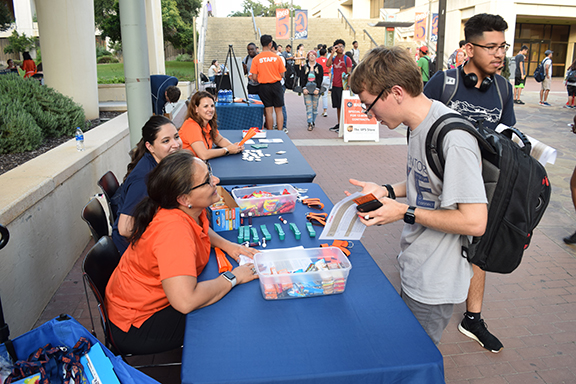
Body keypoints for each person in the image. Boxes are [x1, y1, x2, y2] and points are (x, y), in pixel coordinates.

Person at [348, 45, 488, 345]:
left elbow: (475, 222)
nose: (369, 115)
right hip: (416, 264)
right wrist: (386, 190)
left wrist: (403, 212)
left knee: (414, 355)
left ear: (396, 92)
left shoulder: (453, 138)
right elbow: (424, 180)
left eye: (369, 105)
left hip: (436, 278)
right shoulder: (417, 125)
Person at [105, 150, 259, 355]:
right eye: (207, 181)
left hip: (140, 305)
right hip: (137, 324)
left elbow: (202, 229)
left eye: (209, 172)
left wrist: (228, 245)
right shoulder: (173, 231)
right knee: (224, 315)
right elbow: (186, 301)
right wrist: (233, 277)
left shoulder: (185, 209)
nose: (216, 180)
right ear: (184, 198)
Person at [424, 13, 515, 353]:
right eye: (490, 46)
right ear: (468, 48)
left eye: (502, 46)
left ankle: (472, 318)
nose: (499, 53)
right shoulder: (443, 83)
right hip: (439, 185)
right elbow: (417, 131)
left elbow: (507, 137)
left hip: (482, 187)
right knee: (434, 247)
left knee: (479, 250)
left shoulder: (503, 88)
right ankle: (421, 306)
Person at [112, 116, 183, 255]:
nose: (175, 144)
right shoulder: (143, 179)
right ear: (150, 146)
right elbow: (125, 229)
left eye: (176, 137)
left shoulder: (162, 164)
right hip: (133, 251)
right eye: (166, 141)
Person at [179, 91, 243, 159]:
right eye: (206, 106)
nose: (210, 110)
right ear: (196, 109)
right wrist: (227, 150)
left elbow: (219, 140)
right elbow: (204, 155)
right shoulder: (191, 126)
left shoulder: (207, 123)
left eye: (212, 106)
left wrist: (234, 147)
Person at [250, 34, 286, 132]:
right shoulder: (277, 58)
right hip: (276, 85)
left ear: (261, 44)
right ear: (270, 44)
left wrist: (262, 77)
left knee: (268, 111)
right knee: (279, 111)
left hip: (264, 86)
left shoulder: (256, 59)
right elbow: (282, 74)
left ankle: (270, 133)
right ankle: (280, 132)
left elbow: (254, 77)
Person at [326, 39, 353, 133]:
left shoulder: (347, 59)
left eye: (342, 46)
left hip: (344, 86)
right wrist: (332, 53)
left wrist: (348, 86)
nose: (341, 48)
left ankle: (344, 124)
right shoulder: (334, 58)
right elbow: (327, 64)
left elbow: (349, 73)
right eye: (338, 47)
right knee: (338, 106)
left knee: (344, 106)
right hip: (335, 85)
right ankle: (339, 123)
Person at [299, 50, 323, 131]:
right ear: (308, 57)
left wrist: (318, 88)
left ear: (316, 57)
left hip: (316, 88)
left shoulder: (319, 67)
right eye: (310, 55)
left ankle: (313, 121)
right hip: (307, 87)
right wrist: (304, 88)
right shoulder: (304, 67)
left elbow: (320, 78)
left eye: (313, 55)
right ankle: (309, 122)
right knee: (309, 106)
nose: (312, 56)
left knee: (315, 107)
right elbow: (302, 78)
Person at [317, 47, 331, 117]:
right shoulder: (328, 60)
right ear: (325, 54)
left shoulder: (317, 60)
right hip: (326, 76)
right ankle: (325, 111)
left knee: (317, 94)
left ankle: (315, 109)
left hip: (319, 77)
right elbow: (330, 70)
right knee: (325, 95)